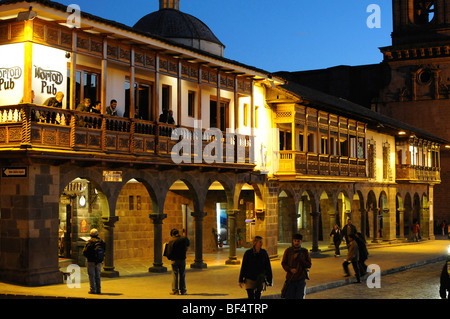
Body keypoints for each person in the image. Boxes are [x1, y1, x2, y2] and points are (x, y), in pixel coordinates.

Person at [281, 233, 312, 299]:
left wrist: (300, 259)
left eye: (298, 241)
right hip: (291, 279)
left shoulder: (304, 252)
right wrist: (290, 269)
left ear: (301, 241)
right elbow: (284, 263)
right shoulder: (288, 251)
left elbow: (309, 265)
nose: (296, 243)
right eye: (295, 241)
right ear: (293, 241)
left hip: (300, 279)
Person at [166, 228, 190, 295]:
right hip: (182, 259)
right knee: (182, 275)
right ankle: (183, 290)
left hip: (175, 260)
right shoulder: (184, 239)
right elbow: (188, 245)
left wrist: (169, 257)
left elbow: (169, 252)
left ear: (172, 235)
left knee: (175, 275)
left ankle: (175, 291)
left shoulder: (172, 241)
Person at [82, 228, 106, 294]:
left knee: (91, 275)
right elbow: (104, 250)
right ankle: (99, 289)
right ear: (97, 234)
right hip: (99, 261)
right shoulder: (101, 242)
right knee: (98, 275)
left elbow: (84, 252)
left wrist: (88, 257)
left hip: (91, 261)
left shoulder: (89, 242)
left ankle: (93, 289)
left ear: (90, 235)